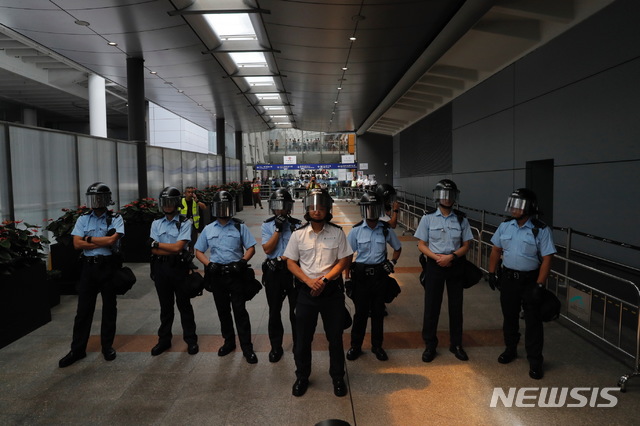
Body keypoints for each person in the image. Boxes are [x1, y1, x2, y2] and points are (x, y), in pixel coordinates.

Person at [283, 189, 353, 397]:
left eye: (321, 208)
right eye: (313, 208)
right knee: (303, 338)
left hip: (331, 292)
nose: (317, 211)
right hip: (306, 293)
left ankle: (338, 377)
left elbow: (344, 260)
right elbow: (290, 262)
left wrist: (324, 280)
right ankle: (302, 376)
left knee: (335, 337)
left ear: (327, 210)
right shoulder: (298, 234)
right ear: (307, 210)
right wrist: (308, 281)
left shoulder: (337, 233)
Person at [487, 188, 556, 380]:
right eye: (512, 204)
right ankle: (510, 349)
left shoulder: (541, 230)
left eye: (518, 205)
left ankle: (535, 360)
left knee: (533, 322)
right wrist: (492, 273)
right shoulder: (505, 226)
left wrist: (539, 285)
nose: (513, 209)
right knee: (509, 317)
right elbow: (496, 250)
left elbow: (548, 258)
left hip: (530, 280)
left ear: (529, 207)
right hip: (508, 279)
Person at [59, 182, 124, 368]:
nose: (95, 201)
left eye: (99, 198)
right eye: (92, 198)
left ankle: (107, 346)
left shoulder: (115, 218)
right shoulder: (83, 219)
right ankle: (77, 349)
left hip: (108, 267)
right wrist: (99, 242)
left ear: (106, 199)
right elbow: (77, 244)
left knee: (110, 308)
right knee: (83, 311)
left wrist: (88, 239)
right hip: (88, 268)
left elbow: (113, 240)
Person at [194, 190, 259, 364]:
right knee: (223, 311)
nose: (223, 211)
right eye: (219, 207)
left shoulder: (239, 226)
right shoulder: (208, 229)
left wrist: (243, 262)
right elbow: (198, 251)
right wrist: (208, 264)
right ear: (215, 208)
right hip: (217, 275)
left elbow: (251, 247)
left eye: (226, 207)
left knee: (240, 311)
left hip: (236, 274)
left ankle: (247, 347)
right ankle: (229, 342)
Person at [415, 179, 473, 363]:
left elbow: (466, 245)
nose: (447, 199)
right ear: (437, 197)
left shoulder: (461, 219)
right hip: (435, 266)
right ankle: (430, 344)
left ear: (455, 197)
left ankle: (456, 344)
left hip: (455, 265)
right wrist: (437, 258)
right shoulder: (428, 218)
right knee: (432, 307)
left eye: (450, 195)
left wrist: (452, 257)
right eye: (443, 195)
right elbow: (421, 244)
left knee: (456, 307)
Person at [345, 191, 402, 362]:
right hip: (361, 277)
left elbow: (398, 248)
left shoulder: (385, 230)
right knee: (360, 314)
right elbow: (348, 256)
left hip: (379, 276)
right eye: (368, 208)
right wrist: (347, 279)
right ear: (363, 210)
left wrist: (392, 263)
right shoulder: (355, 231)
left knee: (378, 313)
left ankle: (377, 346)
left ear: (379, 210)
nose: (371, 212)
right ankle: (356, 346)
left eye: (374, 208)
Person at [149, 186, 198, 356]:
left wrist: (158, 245)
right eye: (165, 202)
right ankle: (164, 341)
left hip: (179, 267)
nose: (167, 206)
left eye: (171, 202)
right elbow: (153, 251)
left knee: (184, 305)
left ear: (176, 203)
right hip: (161, 268)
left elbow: (178, 247)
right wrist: (167, 248)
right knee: (165, 307)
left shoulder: (185, 222)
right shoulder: (156, 223)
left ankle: (191, 340)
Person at [261, 189, 302, 362]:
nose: (280, 210)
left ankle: (298, 344)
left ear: (289, 207)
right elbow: (267, 249)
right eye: (277, 207)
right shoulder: (267, 225)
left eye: (284, 206)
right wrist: (277, 229)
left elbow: (301, 250)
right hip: (274, 273)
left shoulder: (298, 225)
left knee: (296, 311)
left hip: (293, 272)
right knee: (274, 311)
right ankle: (275, 347)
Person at [179, 186, 207, 252]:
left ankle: (190, 259)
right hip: (183, 226)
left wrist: (197, 201)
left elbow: (204, 207)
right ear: (185, 193)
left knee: (192, 244)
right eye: (188, 192)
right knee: (183, 244)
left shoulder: (195, 201)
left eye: (192, 192)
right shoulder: (181, 201)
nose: (190, 194)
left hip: (194, 225)